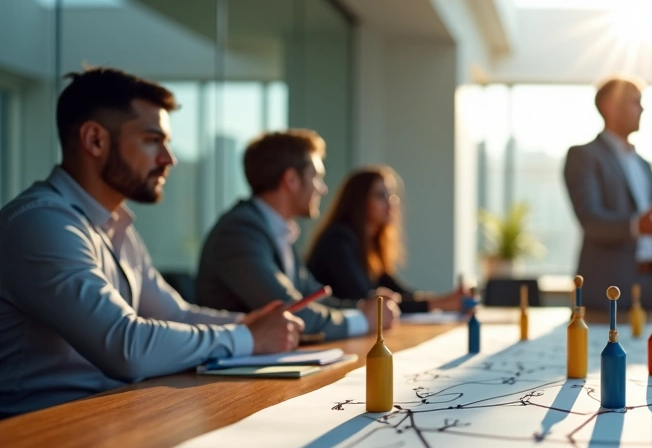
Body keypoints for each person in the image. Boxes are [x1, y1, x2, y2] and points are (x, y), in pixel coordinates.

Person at [0, 68, 302, 418]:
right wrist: (249, 339)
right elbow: (125, 345)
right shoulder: (40, 224)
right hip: (37, 440)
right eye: (152, 140)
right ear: (95, 140)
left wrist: (247, 324)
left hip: (106, 420)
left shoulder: (117, 228)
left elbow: (174, 314)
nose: (168, 159)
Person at [196, 130, 398, 340]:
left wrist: (364, 308)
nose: (323, 189)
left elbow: (312, 298)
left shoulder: (276, 230)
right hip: (233, 370)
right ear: (291, 180)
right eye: (317, 177)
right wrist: (364, 320)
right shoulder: (239, 232)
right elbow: (292, 311)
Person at [563, 76, 652, 311]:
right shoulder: (584, 156)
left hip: (651, 284)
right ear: (610, 107)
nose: (642, 109)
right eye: (635, 102)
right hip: (608, 287)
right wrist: (637, 226)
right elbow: (590, 219)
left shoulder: (643, 163)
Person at [306, 166, 466, 310]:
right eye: (380, 195)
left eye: (391, 195)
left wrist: (445, 299)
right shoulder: (338, 240)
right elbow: (368, 302)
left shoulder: (371, 243)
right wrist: (441, 303)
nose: (391, 202)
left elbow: (396, 291)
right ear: (359, 201)